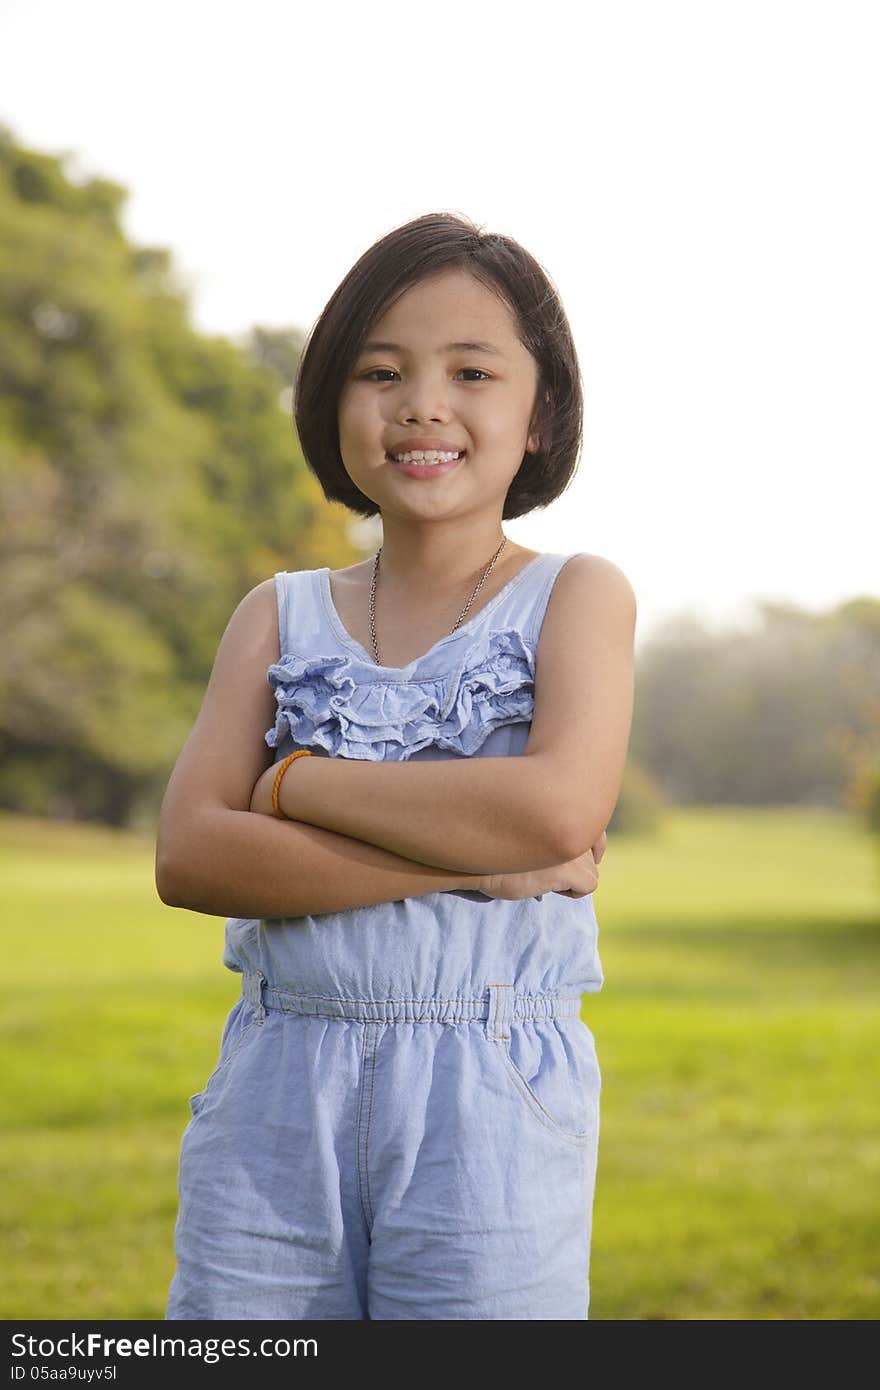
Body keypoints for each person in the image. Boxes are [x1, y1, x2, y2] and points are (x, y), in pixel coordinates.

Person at [156, 211, 636, 1321]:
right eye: (381, 372)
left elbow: (557, 808)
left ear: (539, 413)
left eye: (471, 371)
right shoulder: (275, 615)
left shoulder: (574, 594)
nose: (422, 404)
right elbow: (192, 856)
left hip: (491, 1087)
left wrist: (293, 786)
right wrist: (479, 860)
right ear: (331, 403)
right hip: (279, 1084)